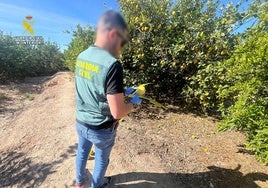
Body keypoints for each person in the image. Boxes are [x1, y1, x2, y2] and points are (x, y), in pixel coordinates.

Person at [74, 10, 139, 188]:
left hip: (81, 121)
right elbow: (117, 112)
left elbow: (92, 87)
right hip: (100, 128)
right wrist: (133, 104)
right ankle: (97, 185)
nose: (119, 49)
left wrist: (119, 91)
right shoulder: (112, 64)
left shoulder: (81, 56)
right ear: (112, 34)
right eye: (120, 43)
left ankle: (79, 183)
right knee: (102, 159)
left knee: (82, 151)